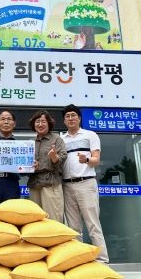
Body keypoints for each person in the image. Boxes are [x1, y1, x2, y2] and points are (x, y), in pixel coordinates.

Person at [60, 104, 109, 263]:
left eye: (73, 115)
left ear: (79, 118)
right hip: (67, 185)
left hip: (86, 183)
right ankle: (78, 261)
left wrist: (86, 159)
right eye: (67, 116)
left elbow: (96, 160)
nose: (70, 118)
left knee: (93, 224)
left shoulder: (90, 135)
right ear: (64, 121)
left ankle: (102, 260)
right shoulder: (61, 139)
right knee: (73, 227)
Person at [27, 109, 67, 222]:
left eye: (43, 121)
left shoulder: (57, 139)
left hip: (51, 183)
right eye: (37, 122)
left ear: (49, 123)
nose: (40, 124)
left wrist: (54, 157)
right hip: (34, 184)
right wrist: (30, 166)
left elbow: (63, 157)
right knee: (35, 221)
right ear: (33, 124)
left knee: (53, 219)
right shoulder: (30, 143)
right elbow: (24, 165)